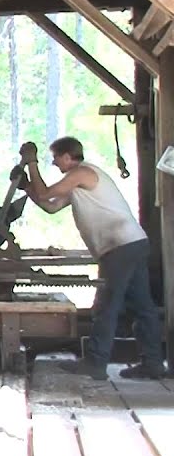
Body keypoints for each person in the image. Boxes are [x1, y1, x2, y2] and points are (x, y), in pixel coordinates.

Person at [20, 137, 164, 380]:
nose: (54, 163)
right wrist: (27, 187)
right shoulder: (76, 185)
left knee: (106, 305)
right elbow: (50, 206)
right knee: (142, 306)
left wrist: (31, 163)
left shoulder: (82, 173)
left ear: (68, 156)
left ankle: (96, 364)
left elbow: (45, 192)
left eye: (55, 157)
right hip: (132, 244)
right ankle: (153, 364)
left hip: (119, 247)